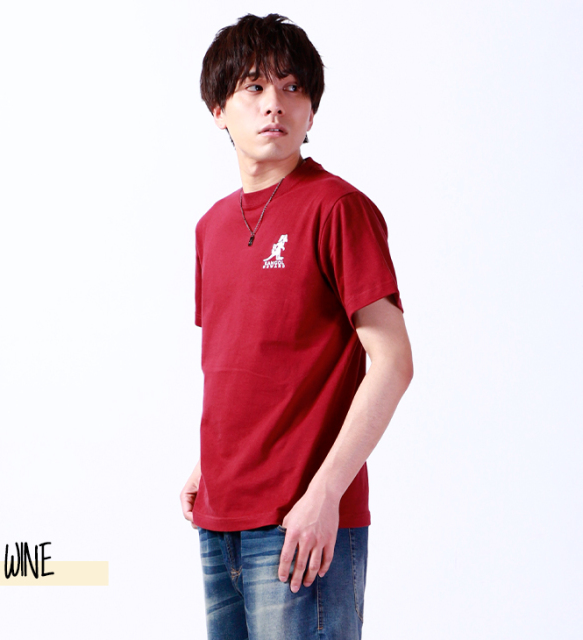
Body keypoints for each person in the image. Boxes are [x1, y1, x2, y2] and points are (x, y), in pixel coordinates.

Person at [180, 13, 413, 640]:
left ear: (311, 111)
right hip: (220, 518)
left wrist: (326, 495)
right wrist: (210, 464)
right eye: (254, 87)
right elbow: (243, 360)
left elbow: (393, 363)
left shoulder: (338, 208)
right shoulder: (210, 227)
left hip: (300, 521)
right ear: (217, 110)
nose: (274, 104)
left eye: (291, 88)